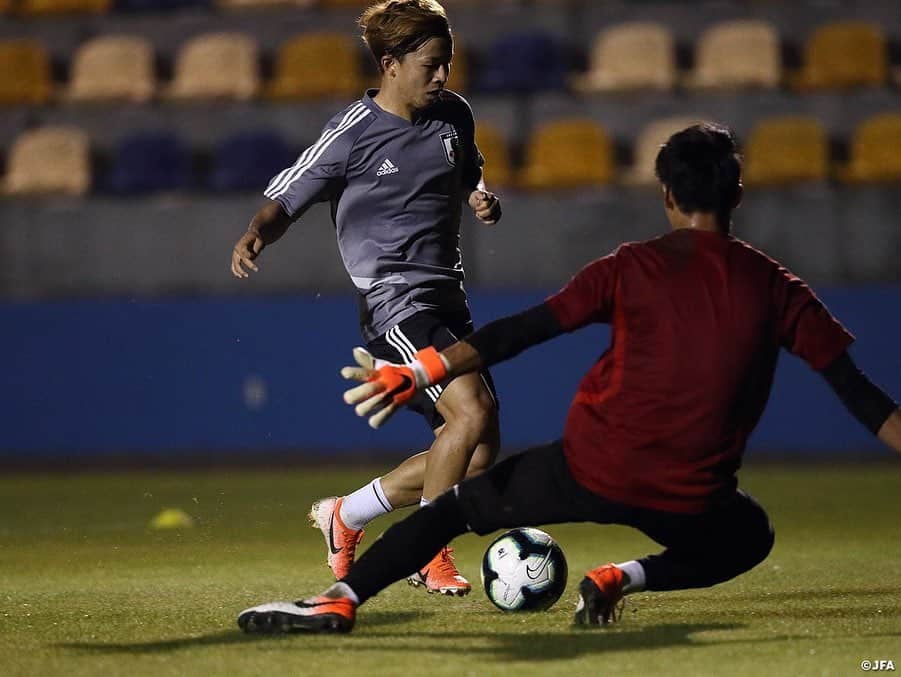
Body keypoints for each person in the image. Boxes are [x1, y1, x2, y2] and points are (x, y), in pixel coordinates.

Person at [237, 123, 901, 635]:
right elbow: (861, 395)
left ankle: (341, 599)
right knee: (749, 535)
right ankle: (621, 577)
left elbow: (525, 330)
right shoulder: (777, 288)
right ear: (736, 195)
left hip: (590, 465)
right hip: (686, 492)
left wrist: (425, 370)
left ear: (666, 196)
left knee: (452, 508)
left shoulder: (630, 265)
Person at [229, 0, 503, 595]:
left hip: (448, 300)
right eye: (431, 65)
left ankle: (345, 515)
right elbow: (287, 197)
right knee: (472, 413)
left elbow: (466, 171)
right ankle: (427, 548)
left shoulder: (453, 114)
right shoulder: (351, 133)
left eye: (448, 64)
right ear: (390, 63)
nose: (442, 77)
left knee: (478, 454)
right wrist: (256, 232)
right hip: (395, 305)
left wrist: (481, 195)